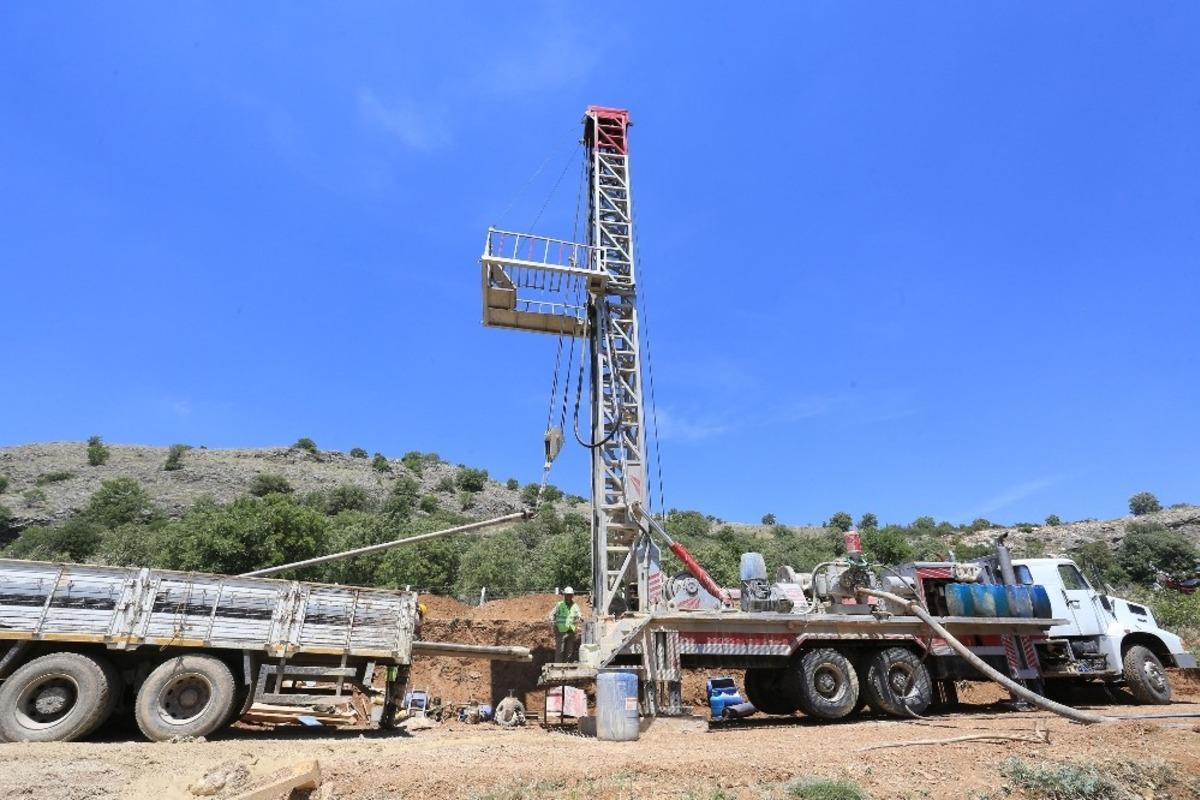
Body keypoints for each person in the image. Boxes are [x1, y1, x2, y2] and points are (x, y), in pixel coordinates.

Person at [549, 587, 582, 662]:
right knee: (560, 650)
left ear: (572, 596)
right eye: (567, 595)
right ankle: (558, 666)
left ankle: (566, 665)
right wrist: (552, 622)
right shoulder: (560, 605)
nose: (568, 596)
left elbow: (579, 614)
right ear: (564, 595)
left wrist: (580, 618)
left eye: (570, 595)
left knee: (569, 651)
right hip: (561, 631)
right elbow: (551, 614)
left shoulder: (575, 606)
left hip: (571, 631)